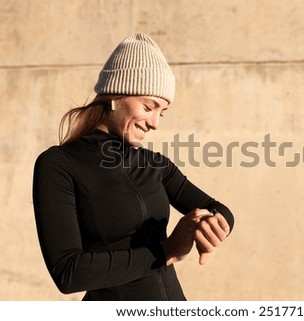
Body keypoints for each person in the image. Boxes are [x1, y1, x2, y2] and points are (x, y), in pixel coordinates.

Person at [32, 33, 234, 301]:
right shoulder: (59, 165)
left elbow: (219, 208)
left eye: (162, 112)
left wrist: (212, 225)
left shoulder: (156, 164)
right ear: (117, 95)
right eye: (148, 107)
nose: (155, 123)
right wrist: (166, 250)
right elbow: (68, 273)